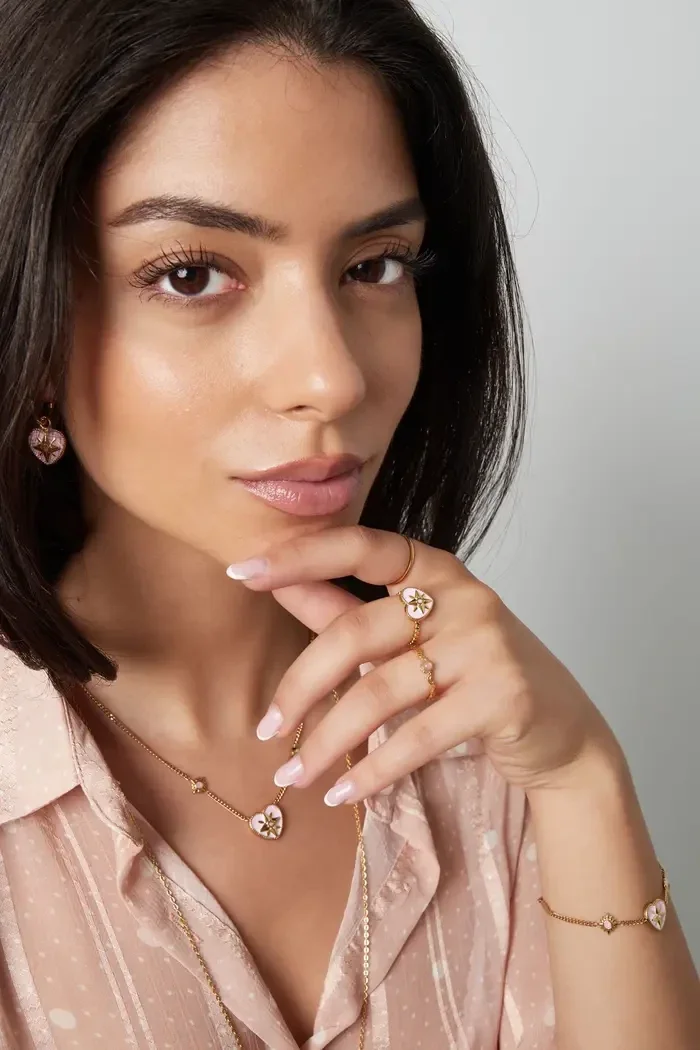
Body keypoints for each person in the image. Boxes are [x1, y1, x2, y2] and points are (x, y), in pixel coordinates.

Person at [0, 0, 697, 1047]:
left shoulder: (496, 743)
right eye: (193, 275)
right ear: (30, 310)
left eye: (374, 266)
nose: (331, 376)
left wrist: (583, 779)